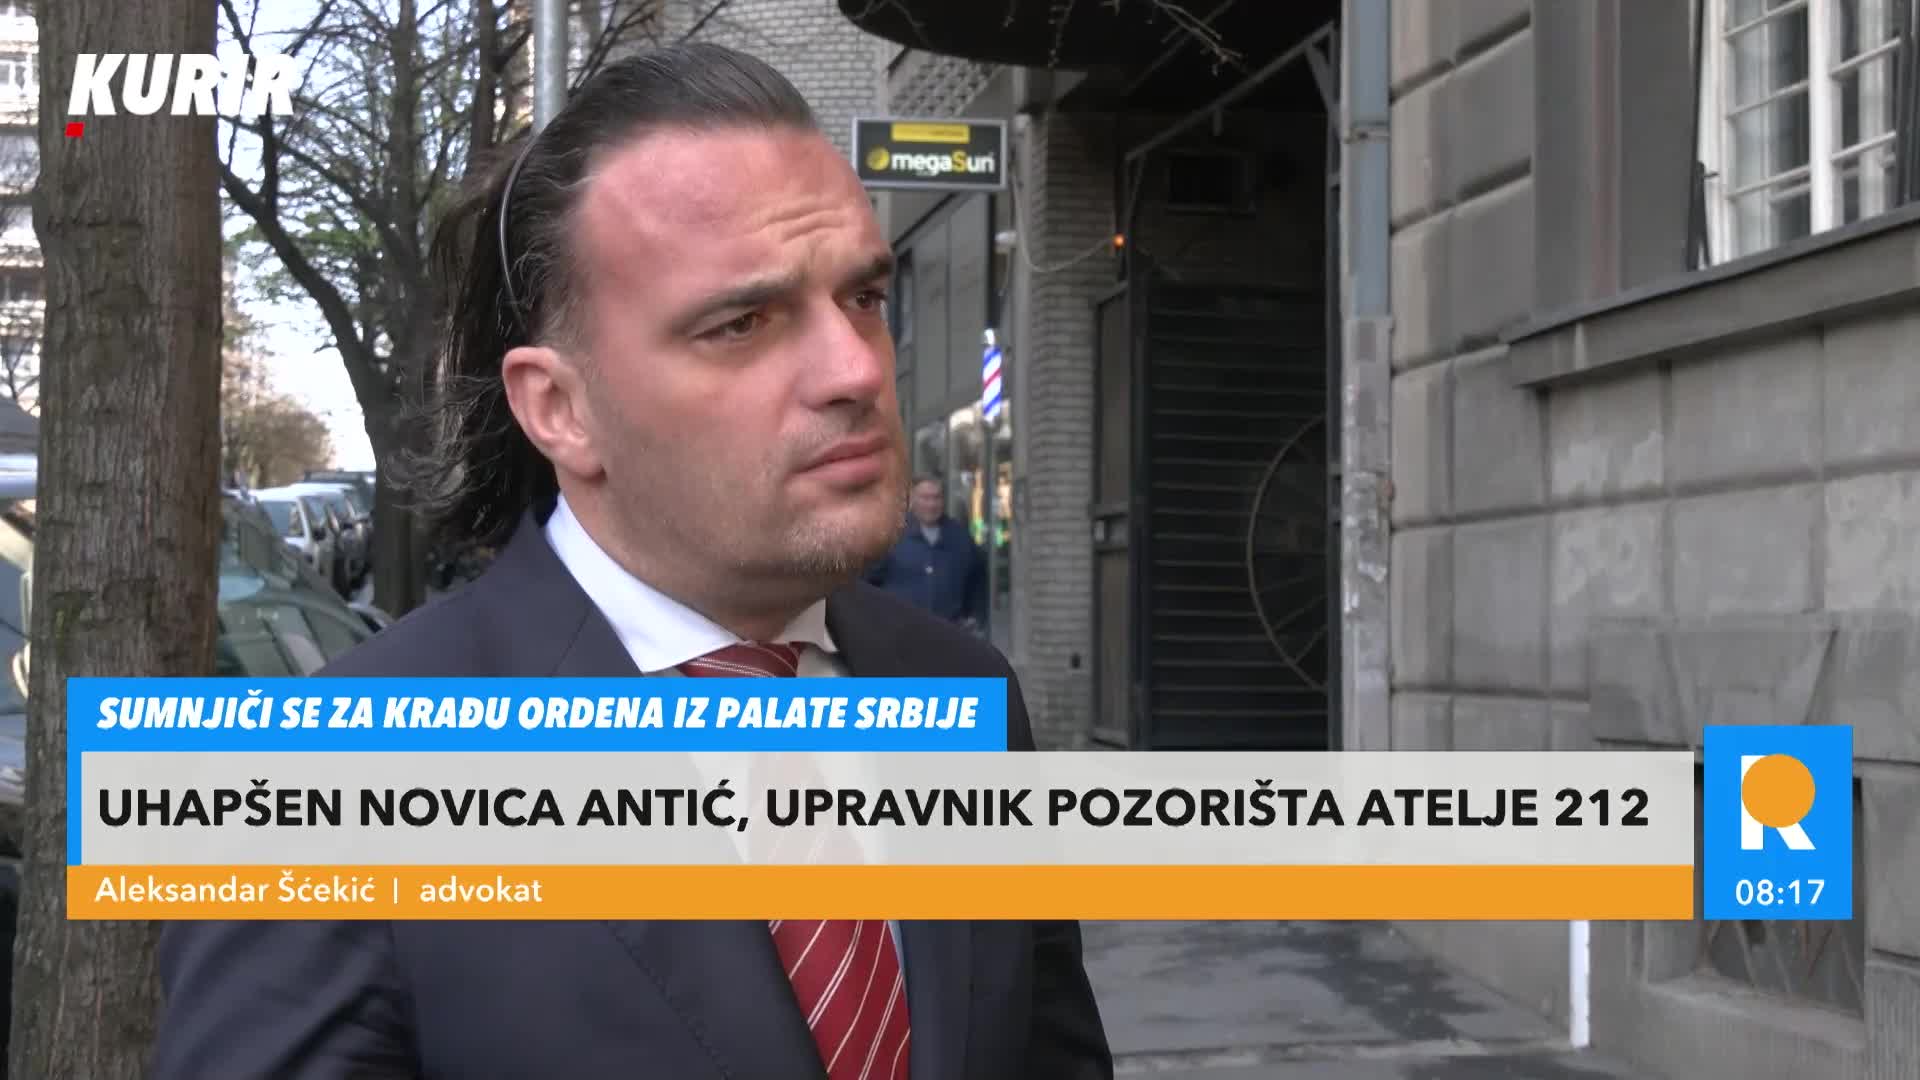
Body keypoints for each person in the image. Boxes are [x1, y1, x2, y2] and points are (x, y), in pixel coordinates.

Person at [148, 42, 1112, 1080]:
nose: (854, 370)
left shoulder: (964, 694)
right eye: (741, 323)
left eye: (864, 299)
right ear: (561, 409)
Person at [865, 475, 989, 632]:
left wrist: (976, 616)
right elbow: (867, 581)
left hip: (948, 632)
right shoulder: (891, 535)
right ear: (912, 499)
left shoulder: (959, 536)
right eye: (925, 498)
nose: (931, 504)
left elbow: (978, 578)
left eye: (936, 498)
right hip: (900, 632)